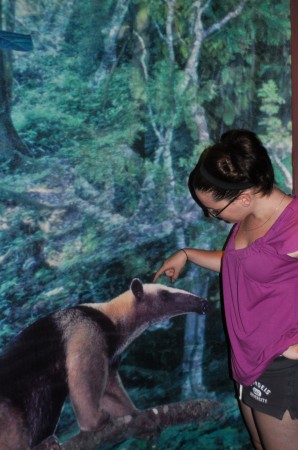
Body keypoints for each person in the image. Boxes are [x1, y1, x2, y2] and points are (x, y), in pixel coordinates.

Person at [153, 129, 298, 450]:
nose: (210, 216)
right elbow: (243, 263)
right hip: (248, 358)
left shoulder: (293, 228)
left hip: (280, 364)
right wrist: (188, 254)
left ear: (243, 197)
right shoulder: (249, 217)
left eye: (214, 210)